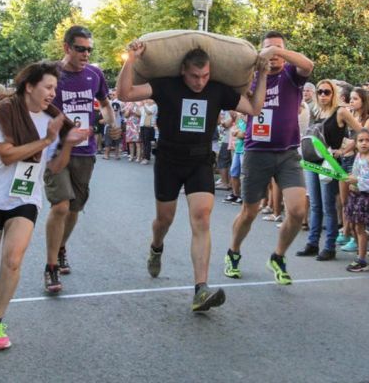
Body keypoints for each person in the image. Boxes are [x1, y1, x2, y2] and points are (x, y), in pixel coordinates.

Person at [117, 40, 274, 312]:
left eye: (205, 75)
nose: (200, 82)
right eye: (194, 76)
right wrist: (130, 59)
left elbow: (254, 108)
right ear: (182, 71)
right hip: (168, 159)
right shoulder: (166, 85)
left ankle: (201, 289)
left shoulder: (217, 90)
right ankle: (156, 247)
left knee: (201, 217)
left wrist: (263, 76)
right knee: (164, 219)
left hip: (200, 160)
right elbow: (125, 93)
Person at [0, 61, 87, 350]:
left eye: (56, 88)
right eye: (48, 87)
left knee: (14, 259)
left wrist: (66, 144)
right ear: (30, 86)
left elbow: (55, 167)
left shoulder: (54, 119)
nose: (53, 94)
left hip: (25, 197)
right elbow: (6, 155)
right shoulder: (2, 111)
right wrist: (47, 140)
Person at [221, 31, 313, 284]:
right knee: (250, 211)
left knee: (296, 210)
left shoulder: (291, 75)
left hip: (287, 153)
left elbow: (308, 65)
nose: (273, 54)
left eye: (279, 49)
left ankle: (278, 256)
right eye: (268, 49)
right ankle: (233, 252)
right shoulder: (250, 79)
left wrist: (276, 50)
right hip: (256, 152)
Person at [42, 26, 114, 293]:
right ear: (66, 48)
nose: (86, 54)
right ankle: (50, 268)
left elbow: (105, 105)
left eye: (89, 50)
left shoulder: (95, 74)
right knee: (60, 206)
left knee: (74, 209)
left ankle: (61, 246)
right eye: (81, 48)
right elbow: (34, 104)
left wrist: (110, 123)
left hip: (85, 150)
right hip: (55, 149)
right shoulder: (50, 74)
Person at [297, 79, 362, 261]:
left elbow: (361, 132)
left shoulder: (341, 111)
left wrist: (343, 150)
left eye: (327, 92)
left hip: (328, 164)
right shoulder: (316, 111)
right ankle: (312, 243)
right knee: (316, 205)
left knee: (328, 206)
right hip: (312, 161)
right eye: (320, 92)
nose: (323, 95)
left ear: (333, 93)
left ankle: (329, 246)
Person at [344, 129, 369, 271]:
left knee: (360, 228)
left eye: (367, 140)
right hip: (354, 195)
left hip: (364, 197)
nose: (364, 143)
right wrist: (351, 177)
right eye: (361, 140)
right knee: (354, 226)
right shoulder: (358, 155)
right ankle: (360, 252)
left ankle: (362, 259)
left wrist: (356, 179)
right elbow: (355, 171)